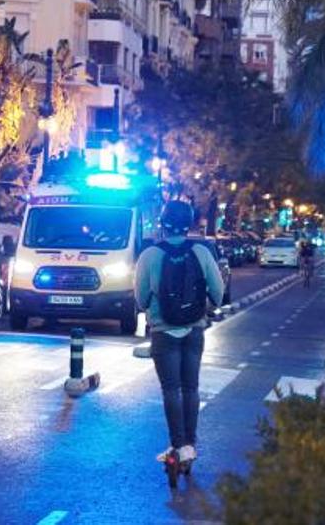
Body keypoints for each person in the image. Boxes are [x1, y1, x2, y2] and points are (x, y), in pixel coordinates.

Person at [135, 200, 226, 469]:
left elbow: (140, 300)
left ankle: (178, 445)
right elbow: (219, 294)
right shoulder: (202, 251)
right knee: (191, 387)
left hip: (163, 332)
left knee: (171, 389)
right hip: (195, 330)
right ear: (190, 224)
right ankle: (190, 446)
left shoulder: (150, 255)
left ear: (162, 224)